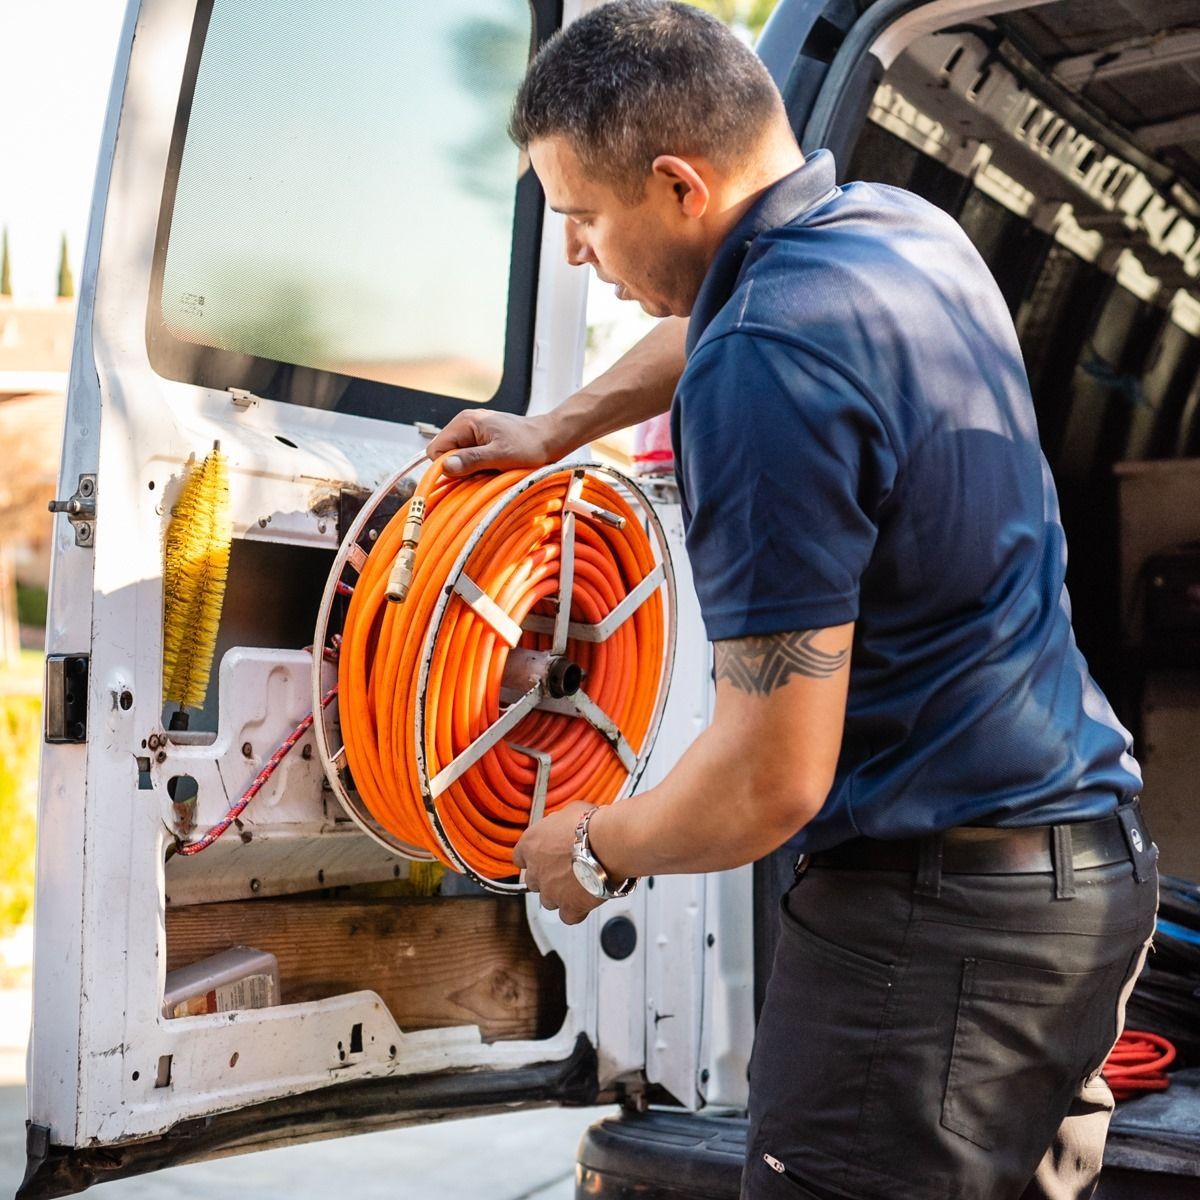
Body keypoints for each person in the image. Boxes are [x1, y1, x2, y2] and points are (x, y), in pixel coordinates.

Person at [426, 3, 1159, 1198]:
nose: (574, 251)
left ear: (675, 184)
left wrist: (596, 847)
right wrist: (555, 429)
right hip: (1081, 889)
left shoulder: (764, 367)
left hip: (933, 944)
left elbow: (774, 778)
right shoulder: (894, 233)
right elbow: (724, 316)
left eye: (581, 218)